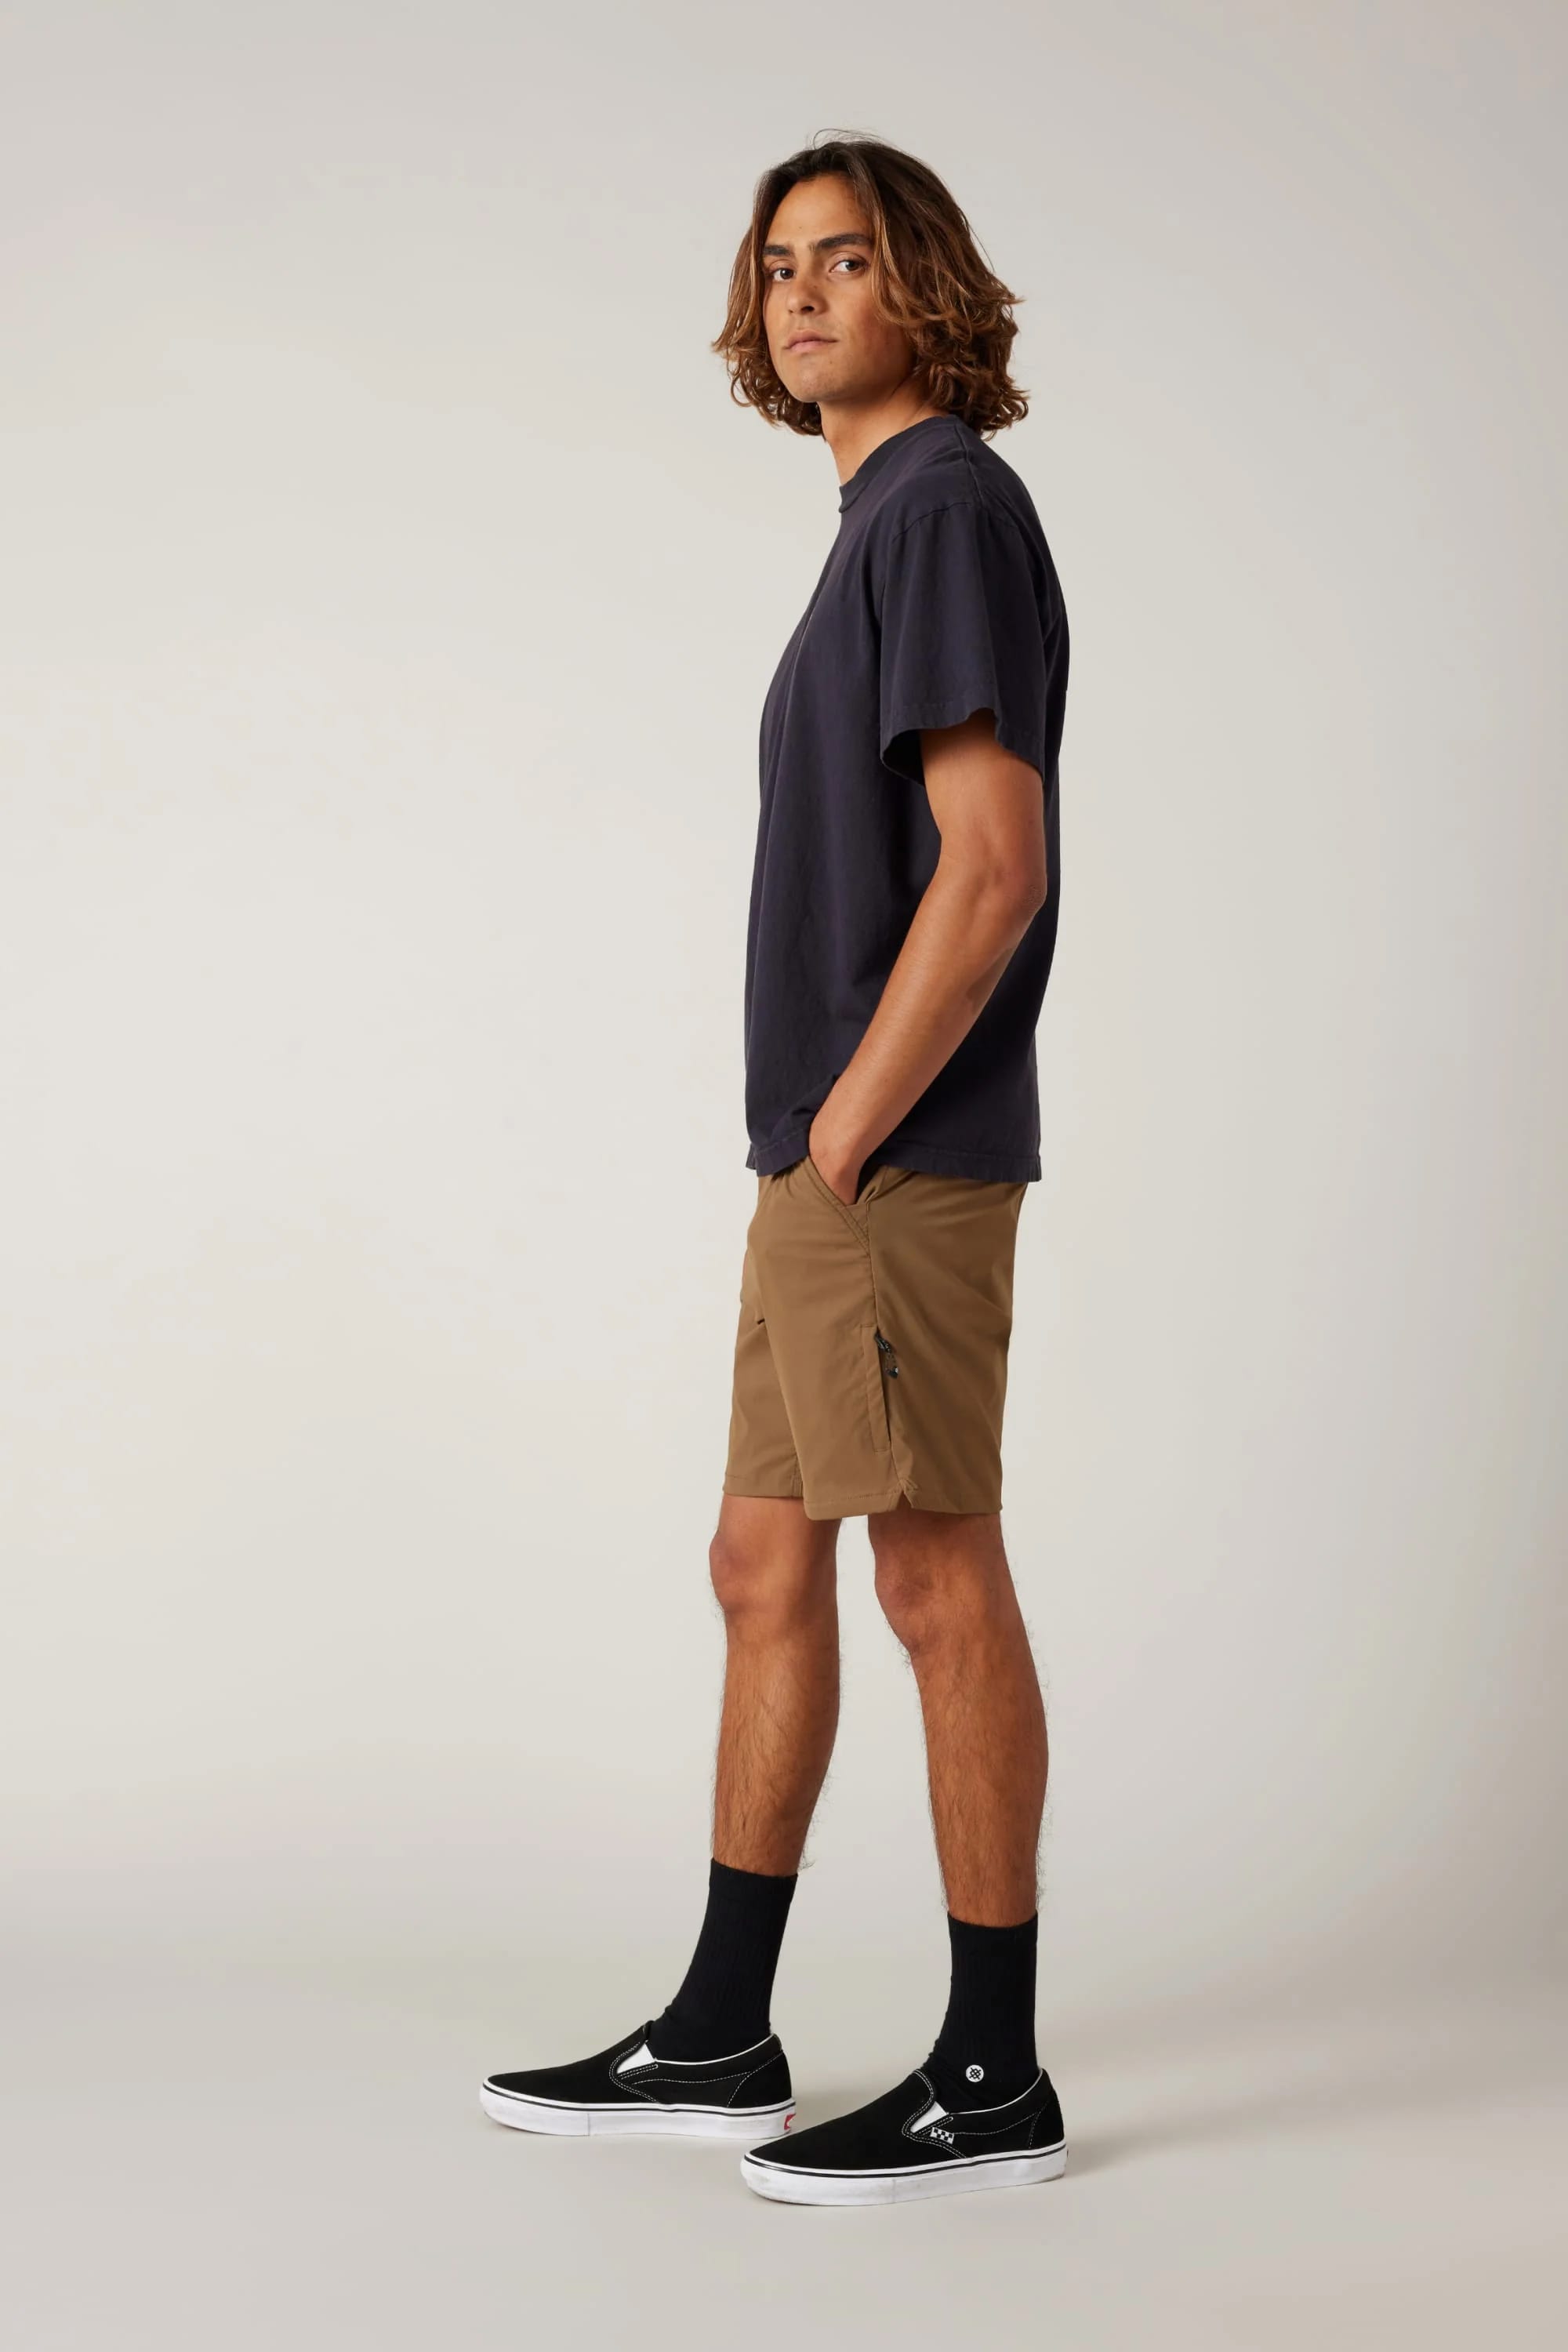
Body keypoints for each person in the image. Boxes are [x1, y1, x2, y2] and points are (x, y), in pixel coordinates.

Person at [481, 134, 1070, 2207]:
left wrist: (841, 1129)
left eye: (850, 257)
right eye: (780, 263)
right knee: (760, 1565)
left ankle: (992, 2077)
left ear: (927, 286)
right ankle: (723, 2030)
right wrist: (802, 1152)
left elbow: (993, 868)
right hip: (822, 1168)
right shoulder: (873, 528)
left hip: (885, 1162)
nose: (806, 292)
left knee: (930, 1572)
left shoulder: (943, 512)